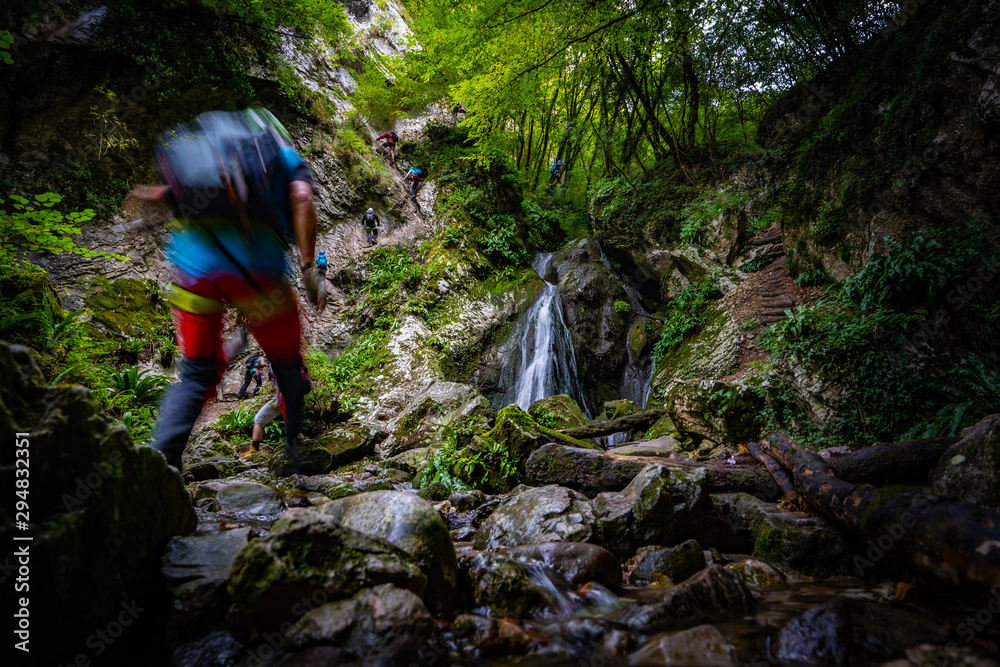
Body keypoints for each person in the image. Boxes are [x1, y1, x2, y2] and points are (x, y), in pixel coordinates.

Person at [133, 108, 326, 478]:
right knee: (287, 363)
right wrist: (308, 270)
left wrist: (143, 218)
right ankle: (292, 452)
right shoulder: (285, 158)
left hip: (194, 272)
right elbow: (302, 199)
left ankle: (160, 466)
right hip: (257, 277)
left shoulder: (212, 160)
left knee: (196, 374)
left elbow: (160, 196)